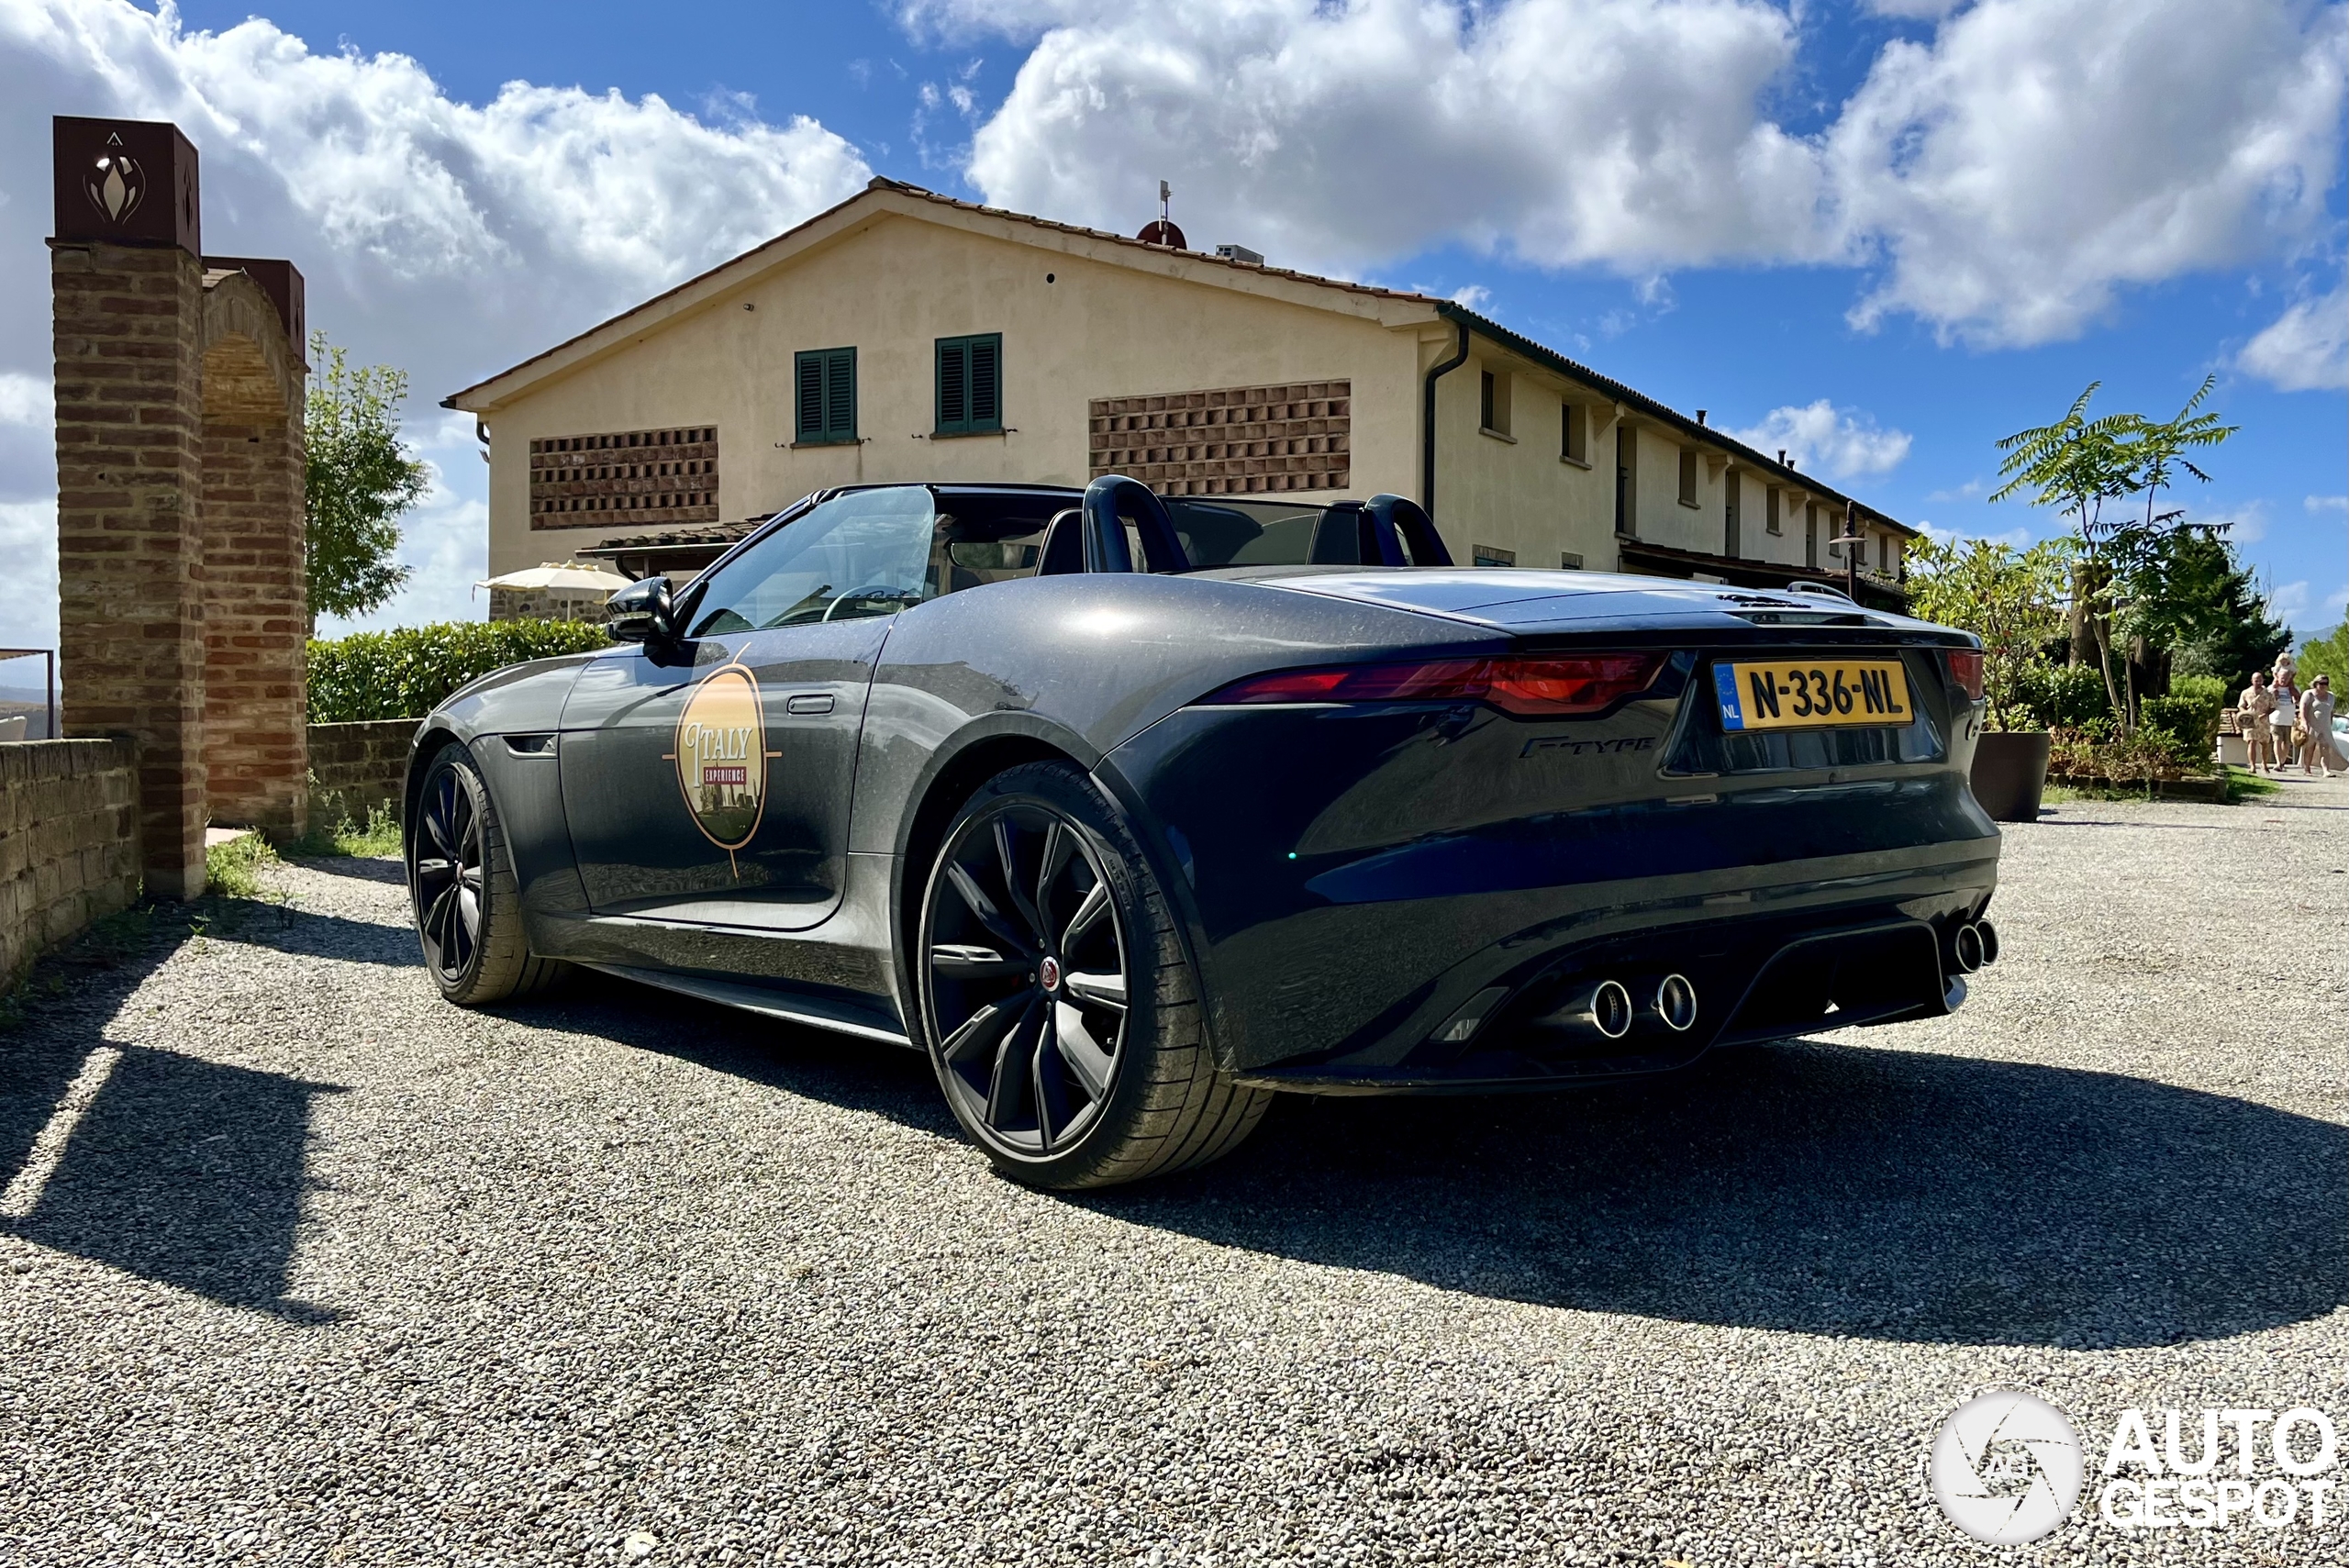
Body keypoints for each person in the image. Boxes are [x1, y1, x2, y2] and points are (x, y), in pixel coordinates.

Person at [2299, 673, 2343, 777]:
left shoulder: (2331, 696)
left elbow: (2331, 711)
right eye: (2321, 683)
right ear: (2316, 683)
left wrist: (2331, 723)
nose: (2323, 685)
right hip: (2312, 725)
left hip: (2325, 726)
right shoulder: (2309, 694)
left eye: (2326, 683)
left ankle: (2326, 770)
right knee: (2310, 747)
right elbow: (2303, 708)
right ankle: (2307, 768)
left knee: (2325, 748)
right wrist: (2304, 722)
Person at [2239, 672, 2277, 772]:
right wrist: (2246, 714)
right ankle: (2252, 766)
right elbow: (2241, 706)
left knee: (2265, 744)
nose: (2258, 682)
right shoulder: (2245, 693)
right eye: (2256, 680)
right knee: (2251, 742)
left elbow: (2273, 707)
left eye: (2260, 680)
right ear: (2252, 681)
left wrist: (2266, 714)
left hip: (2263, 721)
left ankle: (2264, 764)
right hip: (2250, 721)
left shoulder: (2269, 694)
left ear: (2263, 680)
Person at [2271, 666, 2302, 775]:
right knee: (2277, 740)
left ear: (2289, 678)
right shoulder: (2272, 688)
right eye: (2281, 677)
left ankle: (2282, 762)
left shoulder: (2295, 689)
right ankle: (2278, 762)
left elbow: (2298, 702)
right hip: (2276, 718)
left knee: (2287, 743)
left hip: (2289, 719)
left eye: (2285, 678)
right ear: (2277, 677)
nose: (2283, 680)